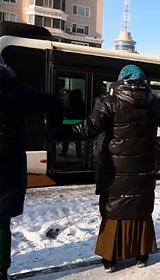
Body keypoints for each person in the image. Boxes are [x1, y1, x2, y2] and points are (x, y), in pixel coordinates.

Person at [51, 65, 160, 272]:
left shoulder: (110, 104)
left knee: (114, 210)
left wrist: (57, 132)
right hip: (143, 170)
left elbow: (87, 129)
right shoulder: (153, 105)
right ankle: (141, 254)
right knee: (140, 209)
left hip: (115, 170)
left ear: (121, 80)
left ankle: (110, 259)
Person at [0, 56, 62, 280]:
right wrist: (54, 131)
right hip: (8, 166)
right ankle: (1, 269)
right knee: (1, 222)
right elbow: (54, 103)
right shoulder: (15, 89)